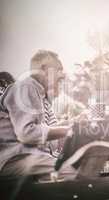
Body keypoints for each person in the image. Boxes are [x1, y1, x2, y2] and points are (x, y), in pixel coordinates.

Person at [0, 50, 79, 181]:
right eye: (59, 69)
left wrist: (71, 125)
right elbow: (27, 134)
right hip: (14, 158)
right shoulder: (26, 87)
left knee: (69, 169)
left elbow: (43, 133)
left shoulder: (35, 91)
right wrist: (68, 130)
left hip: (21, 156)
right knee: (73, 175)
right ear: (44, 69)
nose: (62, 75)